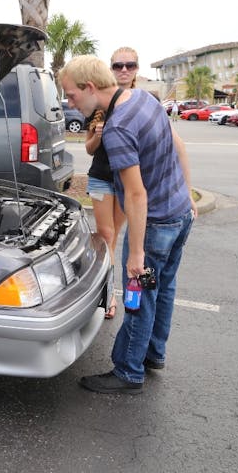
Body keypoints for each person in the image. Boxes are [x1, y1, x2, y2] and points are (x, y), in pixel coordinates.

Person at [59, 55, 196, 395]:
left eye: (72, 95)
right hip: (179, 215)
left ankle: (128, 371)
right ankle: (153, 354)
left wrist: (135, 254)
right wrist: (187, 196)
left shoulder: (118, 127)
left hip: (156, 225)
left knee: (138, 295)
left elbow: (135, 196)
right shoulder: (145, 101)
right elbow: (176, 147)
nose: (70, 103)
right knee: (162, 289)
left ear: (90, 87)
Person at [84, 46, 140, 319]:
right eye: (118, 66)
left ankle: (111, 289)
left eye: (130, 65)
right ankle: (108, 295)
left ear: (137, 69)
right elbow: (88, 149)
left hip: (127, 183)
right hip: (102, 179)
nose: (124, 70)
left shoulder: (141, 102)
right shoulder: (97, 105)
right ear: (111, 69)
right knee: (106, 237)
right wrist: (97, 134)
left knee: (116, 239)